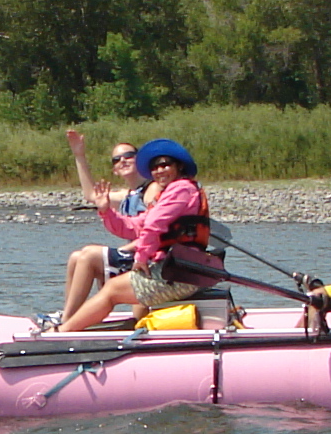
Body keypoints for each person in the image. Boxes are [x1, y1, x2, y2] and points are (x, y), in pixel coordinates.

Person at [54, 139, 214, 331]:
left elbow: (154, 224)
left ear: (179, 166)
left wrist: (141, 258)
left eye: (165, 164)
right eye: (155, 167)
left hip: (182, 274)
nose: (160, 170)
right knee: (110, 287)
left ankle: (63, 331)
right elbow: (133, 227)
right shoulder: (167, 193)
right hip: (171, 268)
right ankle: (70, 326)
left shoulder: (182, 189)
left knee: (112, 290)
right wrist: (106, 211)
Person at [59, 131, 149, 317]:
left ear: (140, 161)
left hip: (146, 258)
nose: (122, 161)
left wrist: (128, 249)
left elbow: (153, 231)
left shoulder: (150, 191)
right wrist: (79, 156)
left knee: (89, 255)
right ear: (115, 170)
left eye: (128, 156)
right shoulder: (127, 195)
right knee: (76, 257)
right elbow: (91, 195)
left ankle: (67, 322)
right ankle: (69, 314)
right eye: (116, 160)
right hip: (132, 256)